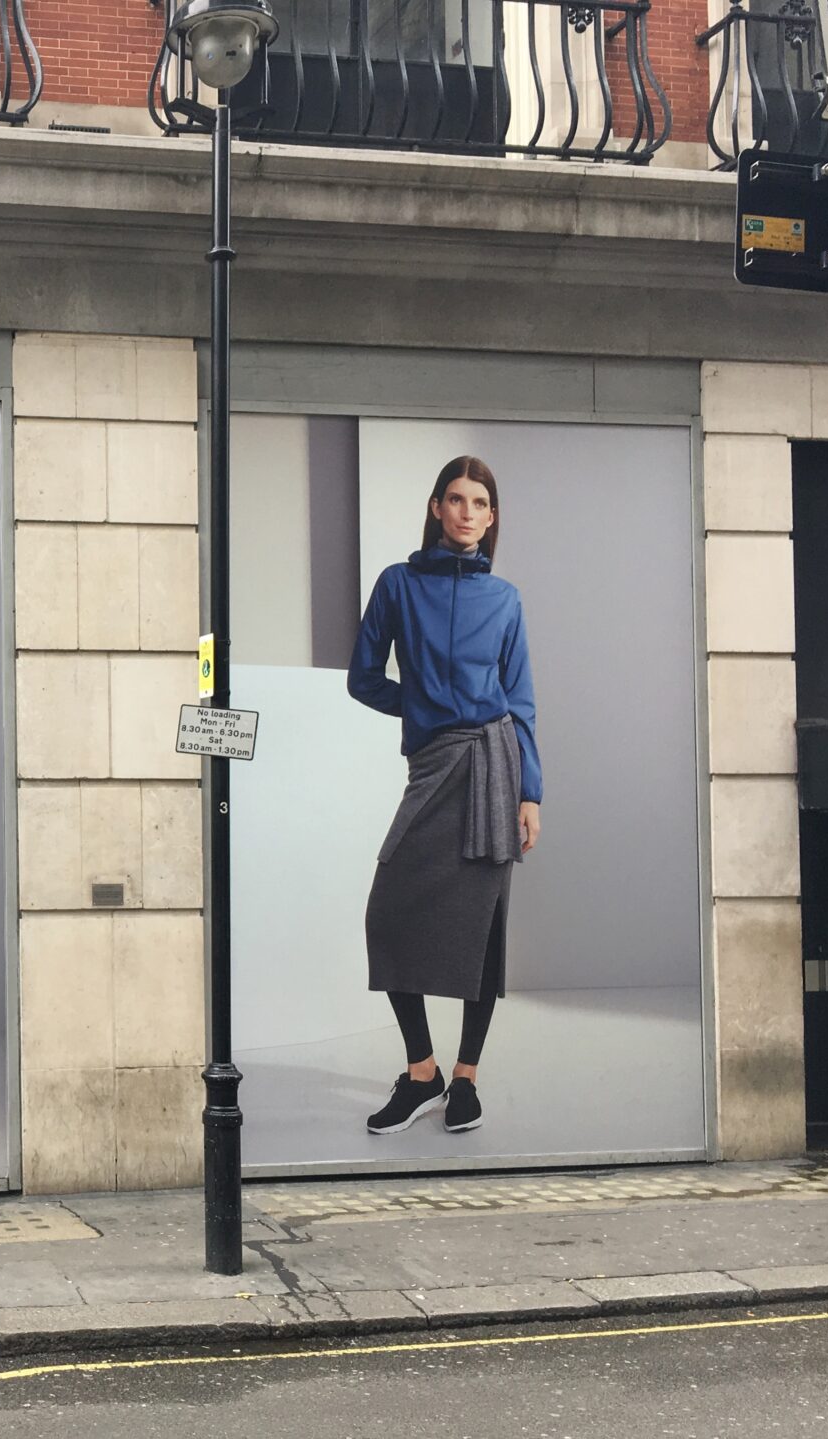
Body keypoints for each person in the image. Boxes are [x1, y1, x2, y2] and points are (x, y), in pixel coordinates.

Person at [347, 455, 541, 1137]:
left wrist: (531, 793)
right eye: (454, 499)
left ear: (491, 518)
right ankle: (420, 1068)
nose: (465, 512)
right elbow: (363, 677)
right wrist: (422, 707)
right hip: (433, 764)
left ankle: (466, 1079)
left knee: (482, 930)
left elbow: (520, 702)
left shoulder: (506, 599)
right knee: (389, 912)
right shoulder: (398, 584)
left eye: (479, 502)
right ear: (436, 508)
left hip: (495, 762)